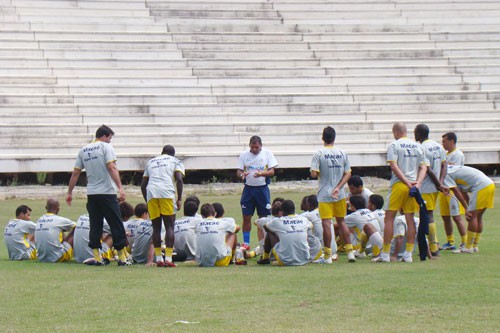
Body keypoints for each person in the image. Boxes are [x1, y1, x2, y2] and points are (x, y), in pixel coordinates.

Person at [66, 124, 130, 266]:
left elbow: (76, 173)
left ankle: (97, 257)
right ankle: (122, 258)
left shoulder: (83, 150)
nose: (110, 141)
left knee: (95, 224)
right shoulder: (106, 147)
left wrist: (70, 192)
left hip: (92, 193)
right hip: (106, 192)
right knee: (116, 223)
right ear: (104, 136)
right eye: (110, 138)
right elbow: (111, 167)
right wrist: (120, 187)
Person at [375, 122, 427, 263]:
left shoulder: (394, 145)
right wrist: (417, 182)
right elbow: (423, 167)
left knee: (389, 218)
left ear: (396, 132)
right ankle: (408, 254)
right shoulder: (418, 146)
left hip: (399, 185)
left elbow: (394, 166)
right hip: (413, 187)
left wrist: (405, 181)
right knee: (410, 219)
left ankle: (385, 254)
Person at [310, 126, 355, 263]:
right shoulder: (342, 153)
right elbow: (348, 173)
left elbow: (313, 173)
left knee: (326, 223)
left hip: (324, 193)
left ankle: (328, 255)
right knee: (341, 222)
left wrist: (317, 172)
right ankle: (350, 252)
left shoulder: (319, 153)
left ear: (323, 138)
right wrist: (339, 187)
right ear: (334, 138)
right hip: (340, 193)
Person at [141, 144, 184, 267]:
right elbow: (179, 179)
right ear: (173, 154)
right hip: (166, 192)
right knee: (169, 226)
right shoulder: (176, 161)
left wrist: (147, 200)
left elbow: (143, 185)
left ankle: (159, 258)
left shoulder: (151, 162)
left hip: (151, 193)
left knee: (156, 227)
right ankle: (169, 259)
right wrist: (179, 198)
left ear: (162, 152)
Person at [237, 135, 278, 250]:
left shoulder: (267, 153)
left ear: (261, 146)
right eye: (252, 147)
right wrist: (242, 175)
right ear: (249, 145)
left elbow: (272, 171)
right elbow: (239, 171)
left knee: (263, 218)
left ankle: (264, 243)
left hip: (262, 189)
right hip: (248, 189)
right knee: (246, 216)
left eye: (257, 147)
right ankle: (246, 243)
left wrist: (262, 174)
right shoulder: (244, 155)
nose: (254, 150)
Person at [414, 124, 447, 256]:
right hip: (434, 187)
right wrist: (441, 183)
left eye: (415, 132)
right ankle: (433, 245)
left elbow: (427, 169)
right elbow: (444, 166)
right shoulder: (438, 146)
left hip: (426, 187)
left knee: (427, 216)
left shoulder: (422, 148)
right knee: (429, 214)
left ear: (419, 134)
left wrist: (439, 184)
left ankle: (433, 248)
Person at [446, 165, 495, 253]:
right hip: (489, 184)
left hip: (481, 186)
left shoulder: (446, 173)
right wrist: (467, 207)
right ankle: (474, 246)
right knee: (478, 217)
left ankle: (468, 247)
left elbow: (456, 191)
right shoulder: (452, 168)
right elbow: (463, 192)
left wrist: (466, 208)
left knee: (472, 217)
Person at [257, 200, 313, 266]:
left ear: (282, 211)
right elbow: (311, 226)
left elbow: (266, 227)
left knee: (270, 232)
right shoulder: (303, 219)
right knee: (306, 230)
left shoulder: (278, 221)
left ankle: (265, 257)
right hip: (305, 259)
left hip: (285, 260)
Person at [439, 132, 467, 251]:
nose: (443, 144)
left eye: (444, 141)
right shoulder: (446, 154)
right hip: (443, 189)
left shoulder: (458, 154)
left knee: (456, 217)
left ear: (451, 141)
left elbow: (453, 170)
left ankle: (465, 242)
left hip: (452, 190)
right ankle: (450, 241)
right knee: (445, 216)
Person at [35, 198, 76, 263]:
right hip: (58, 257)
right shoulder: (59, 220)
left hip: (41, 258)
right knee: (77, 229)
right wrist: (67, 239)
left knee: (59, 230)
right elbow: (77, 226)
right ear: (58, 209)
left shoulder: (39, 220)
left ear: (46, 207)